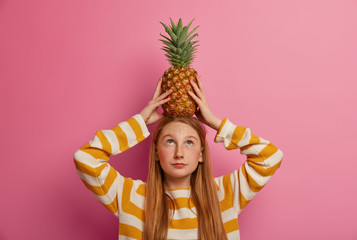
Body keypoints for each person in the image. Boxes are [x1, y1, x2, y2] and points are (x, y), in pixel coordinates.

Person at [74, 76, 283, 240]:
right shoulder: (131, 196)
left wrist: (214, 122)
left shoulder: (225, 195)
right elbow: (85, 158)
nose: (179, 153)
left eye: (189, 142)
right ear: (156, 151)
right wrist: (139, 122)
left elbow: (270, 157)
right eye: (170, 141)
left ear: (201, 153)